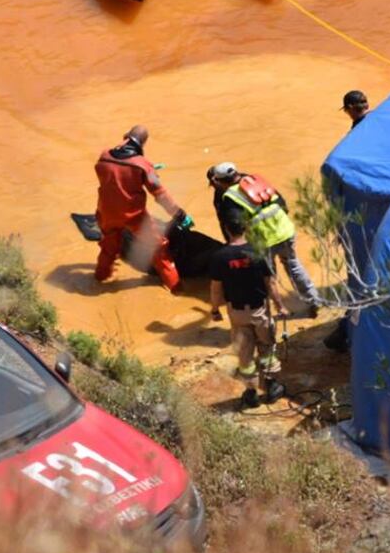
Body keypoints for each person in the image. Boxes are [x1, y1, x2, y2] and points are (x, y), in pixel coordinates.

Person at [206, 162, 320, 315]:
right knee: (293, 265)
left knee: (267, 278)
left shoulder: (229, 198)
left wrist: (235, 247)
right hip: (285, 231)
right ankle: (314, 300)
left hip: (264, 240)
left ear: (219, 181)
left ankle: (271, 312)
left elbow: (235, 225)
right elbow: (282, 203)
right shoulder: (256, 180)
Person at [94, 125, 192, 292]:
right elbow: (160, 194)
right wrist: (179, 214)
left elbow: (116, 174)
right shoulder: (142, 165)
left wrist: (145, 168)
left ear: (125, 136)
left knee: (109, 247)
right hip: (134, 215)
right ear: (143, 143)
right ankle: (176, 288)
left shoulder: (104, 157)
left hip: (106, 213)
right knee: (158, 248)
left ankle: (99, 279)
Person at [209, 210, 289, 409]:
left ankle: (251, 394)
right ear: (245, 228)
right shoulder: (257, 251)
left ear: (227, 230)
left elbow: (216, 288)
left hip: (236, 313)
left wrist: (214, 310)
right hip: (260, 311)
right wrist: (281, 306)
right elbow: (270, 283)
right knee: (267, 347)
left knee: (245, 353)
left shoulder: (220, 257)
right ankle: (271, 387)